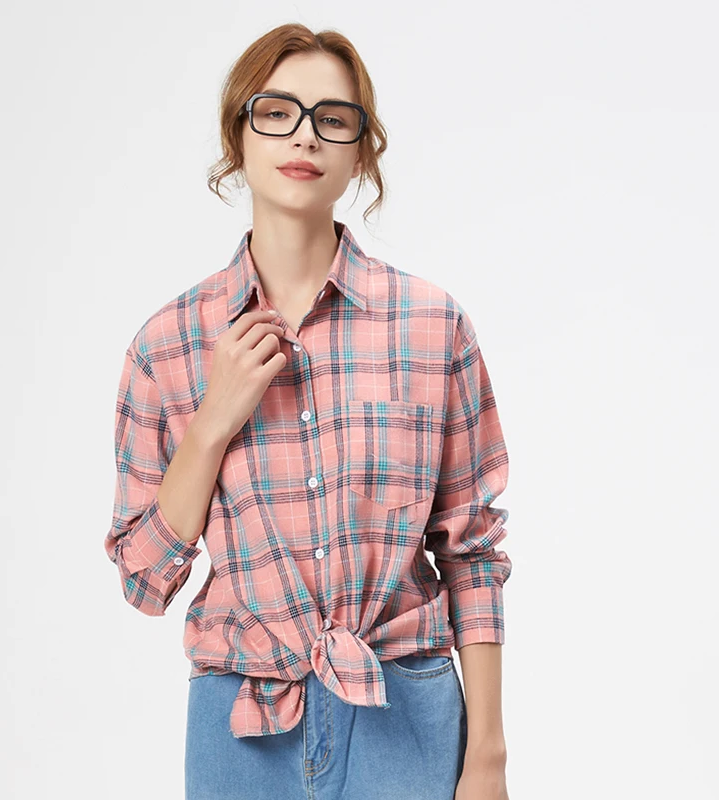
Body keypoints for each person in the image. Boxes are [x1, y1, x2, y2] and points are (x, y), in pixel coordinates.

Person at [105, 22, 512, 800]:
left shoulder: (431, 327)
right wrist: (213, 422)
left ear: (361, 151)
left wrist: (487, 757)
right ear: (239, 134)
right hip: (240, 728)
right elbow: (144, 580)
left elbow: (473, 552)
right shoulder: (169, 346)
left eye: (333, 118)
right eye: (277, 112)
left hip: (405, 710)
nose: (305, 136)